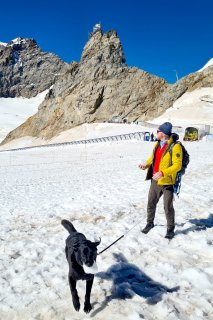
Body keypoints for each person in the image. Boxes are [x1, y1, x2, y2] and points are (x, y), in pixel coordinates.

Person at [138, 122, 183, 239]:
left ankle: (170, 228)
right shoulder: (156, 145)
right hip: (155, 180)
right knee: (151, 202)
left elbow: (177, 166)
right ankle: (149, 223)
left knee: (167, 206)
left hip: (167, 181)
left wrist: (163, 173)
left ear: (162, 133)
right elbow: (152, 158)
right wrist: (145, 165)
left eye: (157, 131)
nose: (156, 133)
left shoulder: (175, 146)